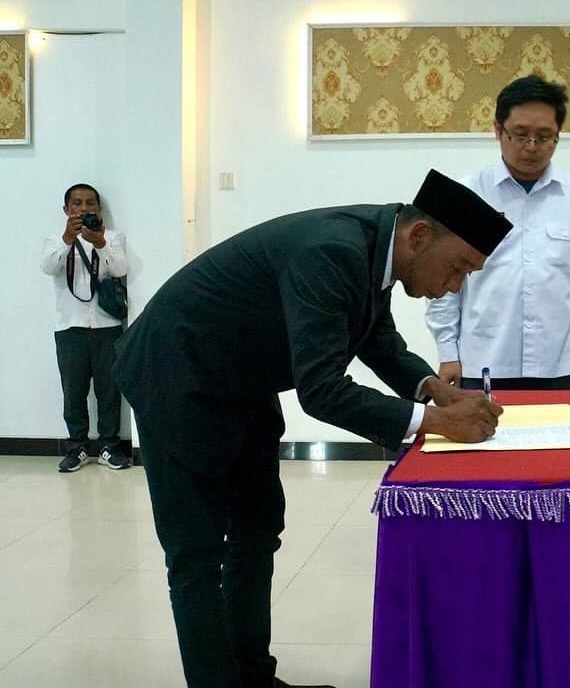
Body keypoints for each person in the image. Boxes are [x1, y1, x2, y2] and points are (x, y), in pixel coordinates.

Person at [113, 170, 511, 688]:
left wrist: (435, 389)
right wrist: (436, 422)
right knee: (196, 553)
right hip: (175, 376)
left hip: (242, 380)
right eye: (458, 268)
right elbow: (321, 389)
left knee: (257, 532)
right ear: (419, 236)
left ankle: (253, 677)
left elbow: (374, 334)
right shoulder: (333, 251)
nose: (454, 286)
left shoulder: (376, 249)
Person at [425, 75, 570, 392]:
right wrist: (447, 352)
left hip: (556, 364)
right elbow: (442, 280)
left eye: (544, 137)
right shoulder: (467, 194)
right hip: (482, 359)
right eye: (520, 135)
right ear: (498, 130)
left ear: (558, 136)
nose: (531, 147)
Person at [40, 183, 130, 472]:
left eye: (90, 202)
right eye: (76, 203)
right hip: (69, 326)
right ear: (66, 209)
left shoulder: (112, 237)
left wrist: (100, 243)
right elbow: (48, 267)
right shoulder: (55, 239)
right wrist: (68, 238)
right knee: (73, 390)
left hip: (107, 326)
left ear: (98, 208)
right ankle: (76, 447)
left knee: (109, 390)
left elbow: (120, 269)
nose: (83, 208)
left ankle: (109, 446)